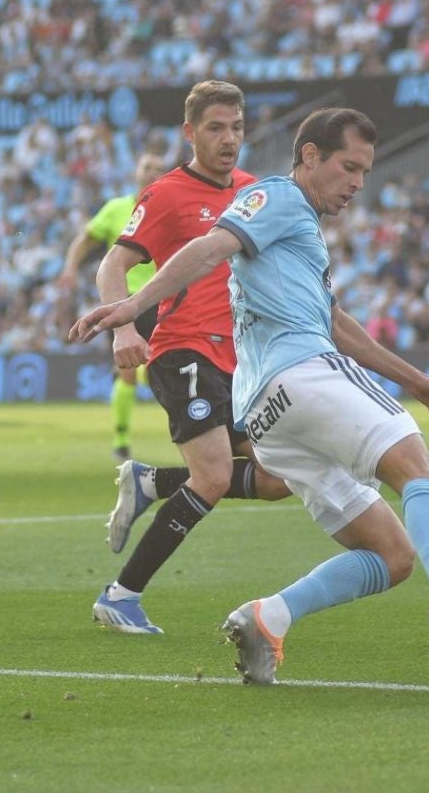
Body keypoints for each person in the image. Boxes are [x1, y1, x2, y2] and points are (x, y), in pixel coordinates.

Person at [71, 107, 429, 682]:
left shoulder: (299, 234)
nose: (358, 184)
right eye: (349, 167)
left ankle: (269, 617)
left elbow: (335, 320)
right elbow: (209, 249)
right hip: (301, 374)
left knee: (392, 555)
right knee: (424, 471)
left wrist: (415, 380)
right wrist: (133, 308)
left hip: (267, 413)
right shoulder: (279, 198)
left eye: (365, 172)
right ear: (310, 156)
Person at [84, 79, 290, 634]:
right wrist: (122, 327)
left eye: (238, 128)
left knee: (281, 476)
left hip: (245, 362)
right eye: (216, 128)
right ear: (190, 132)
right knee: (216, 475)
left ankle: (151, 482)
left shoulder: (254, 191)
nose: (229, 139)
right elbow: (111, 267)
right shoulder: (167, 193)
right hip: (185, 349)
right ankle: (121, 595)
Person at [57, 151, 166, 460]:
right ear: (136, 172)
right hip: (122, 303)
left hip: (162, 302)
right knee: (128, 373)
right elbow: (85, 239)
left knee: (168, 371)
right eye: (147, 166)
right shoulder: (117, 208)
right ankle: (120, 438)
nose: (152, 172)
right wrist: (69, 268)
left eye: (158, 168)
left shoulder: (169, 208)